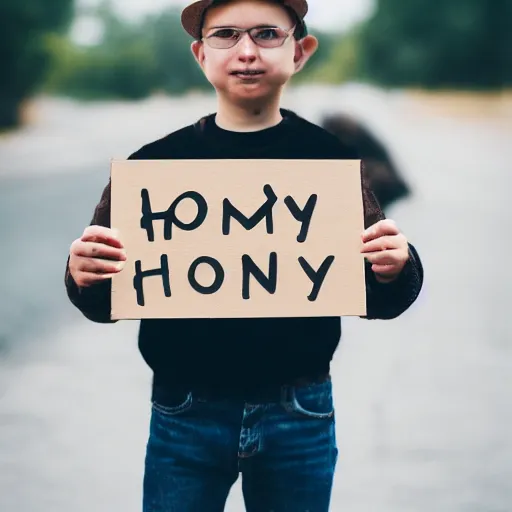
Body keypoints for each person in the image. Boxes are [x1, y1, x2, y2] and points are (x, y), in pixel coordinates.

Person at [64, 1, 424, 510]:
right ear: (200, 54)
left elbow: (381, 293)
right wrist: (82, 276)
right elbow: (103, 296)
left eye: (267, 34)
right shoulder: (154, 167)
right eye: (226, 35)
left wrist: (399, 266)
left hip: (299, 411)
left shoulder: (331, 164)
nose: (247, 51)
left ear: (300, 51)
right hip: (183, 411)